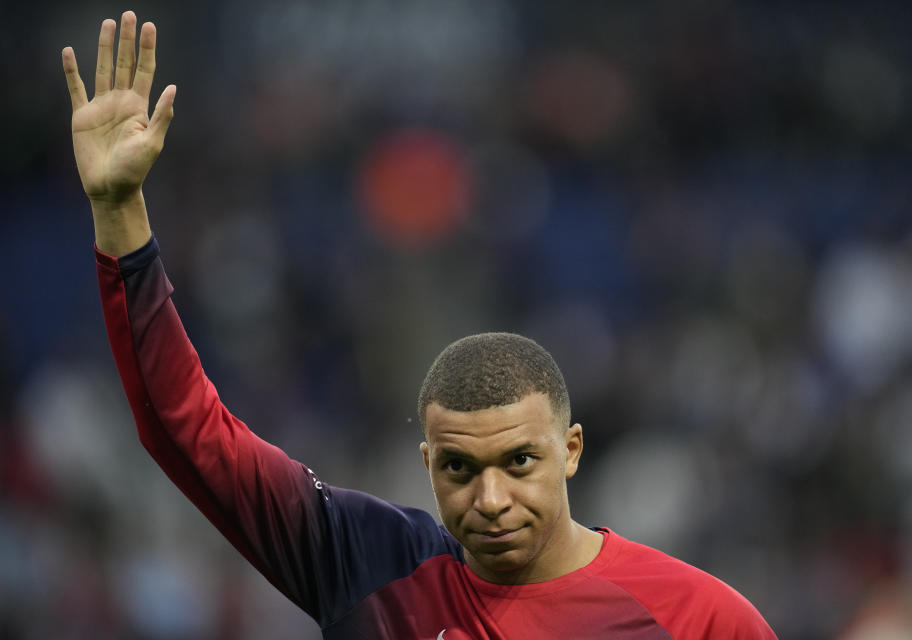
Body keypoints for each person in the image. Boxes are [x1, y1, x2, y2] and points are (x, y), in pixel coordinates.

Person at [62, 12, 777, 639]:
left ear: (571, 450)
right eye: (461, 469)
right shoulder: (371, 566)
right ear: (429, 467)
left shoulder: (699, 619)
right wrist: (120, 212)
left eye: (520, 462)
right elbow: (185, 431)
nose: (491, 501)